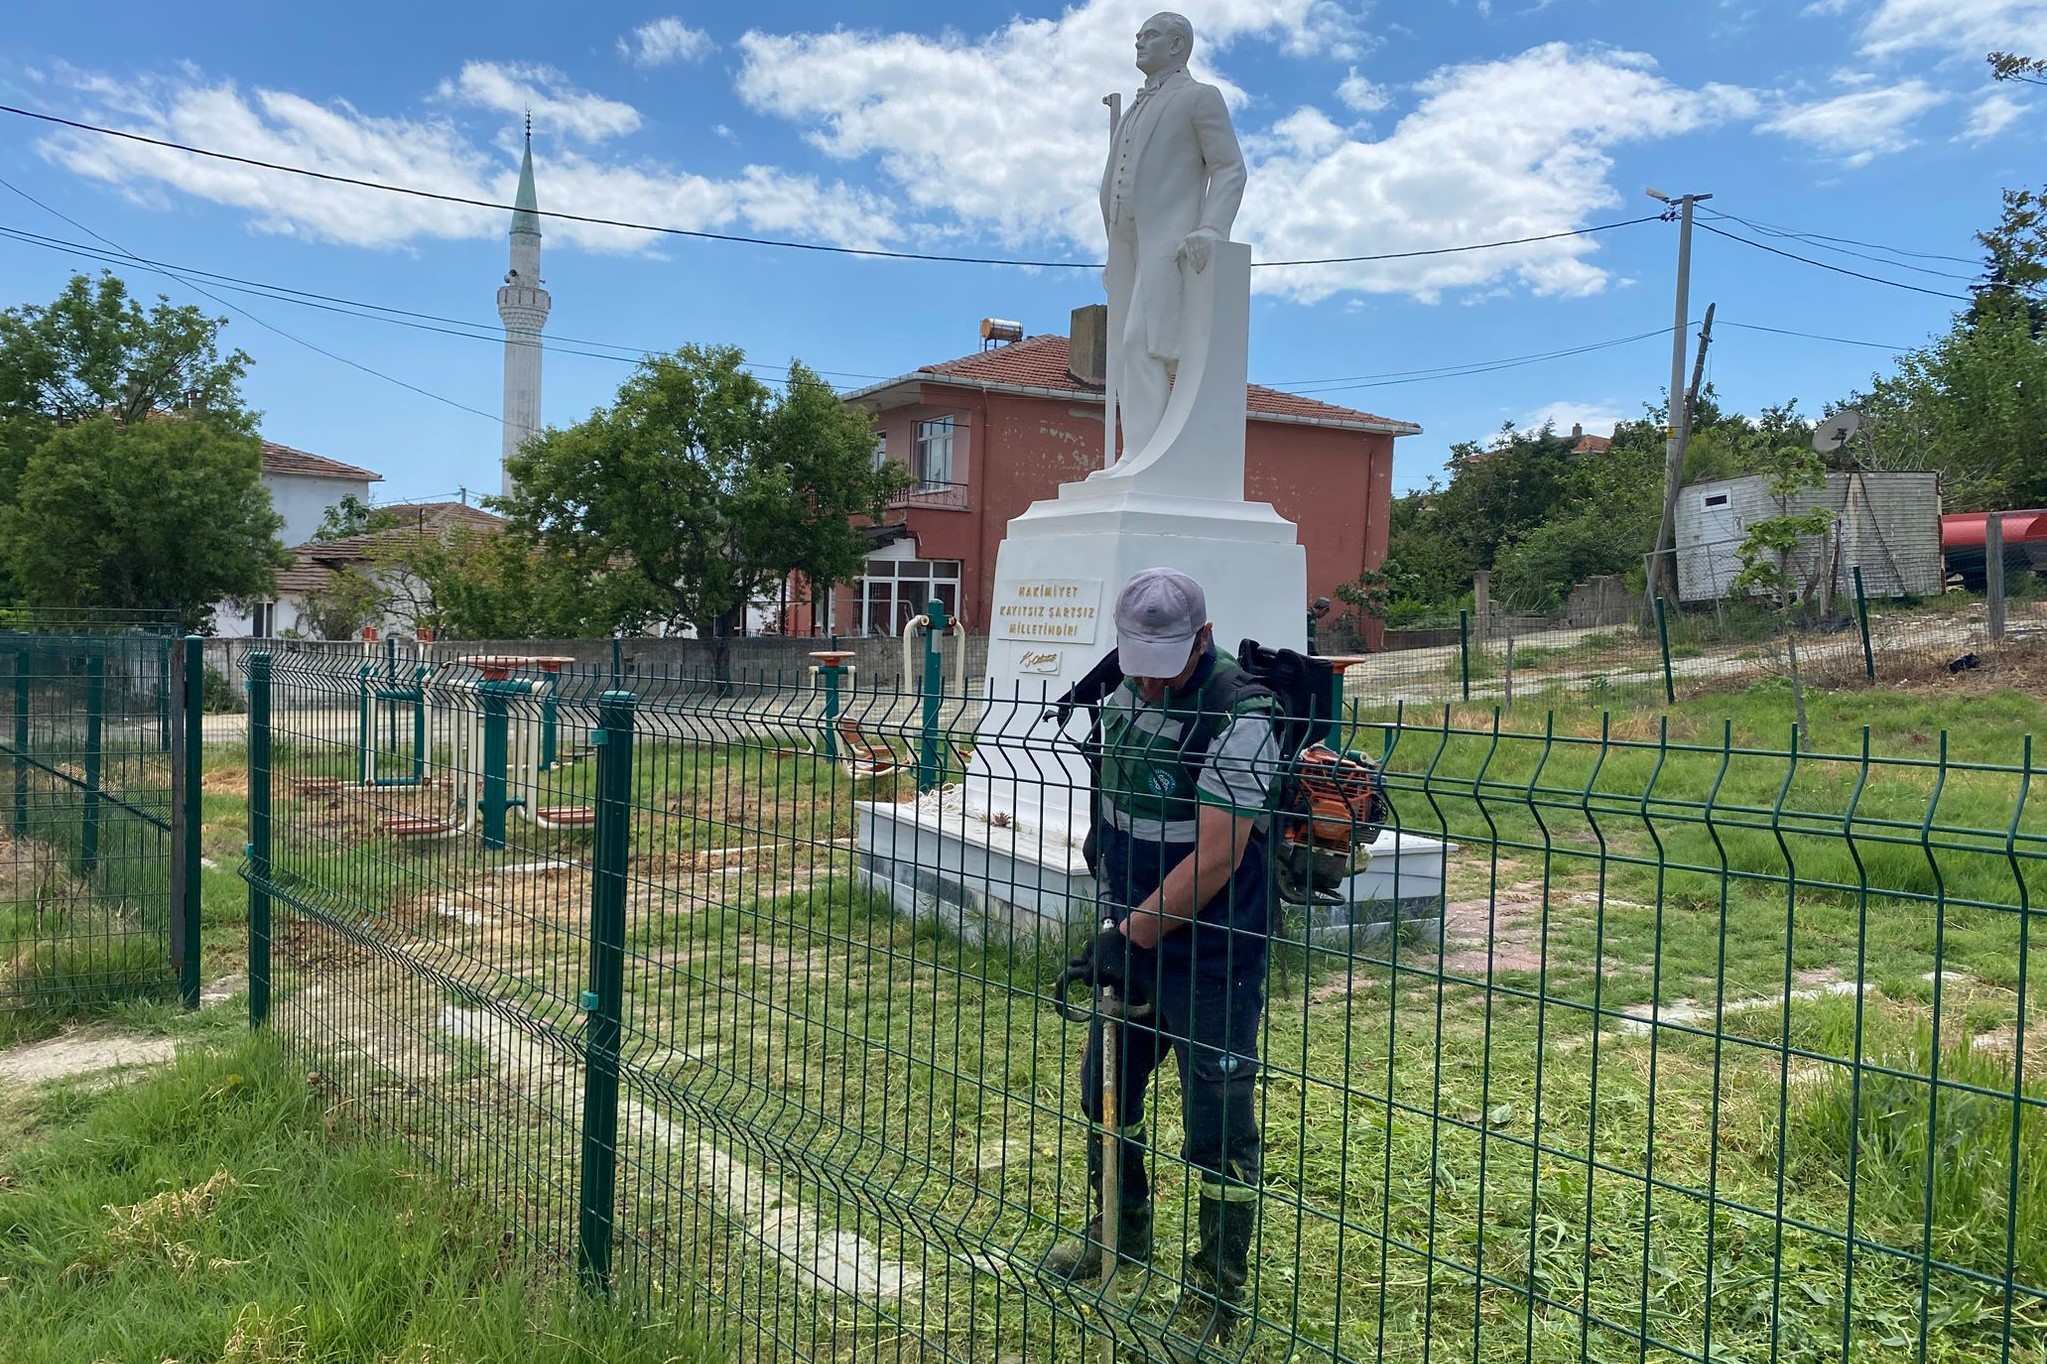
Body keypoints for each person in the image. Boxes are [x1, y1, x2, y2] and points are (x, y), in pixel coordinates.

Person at [1041, 567, 1278, 1350]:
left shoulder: (1239, 715)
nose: (1148, 674)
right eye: (1136, 654)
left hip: (1212, 949)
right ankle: (1120, 1228)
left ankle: (1217, 1288)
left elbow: (1215, 857)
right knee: (1104, 1091)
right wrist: (1113, 910)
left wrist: (1129, 934)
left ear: (1202, 639)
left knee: (1217, 1120)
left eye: (1165, 658)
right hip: (1131, 927)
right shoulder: (1120, 692)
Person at [1098, 13, 1246, 468]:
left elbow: (1229, 167)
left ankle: (1144, 454)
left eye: (1151, 35)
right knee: (1123, 350)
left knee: (1143, 342)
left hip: (1169, 239)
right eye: (1138, 35)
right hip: (1126, 243)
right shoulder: (1133, 109)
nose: (1139, 42)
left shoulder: (1200, 97)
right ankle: (1134, 452)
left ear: (1178, 45)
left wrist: (1212, 228)